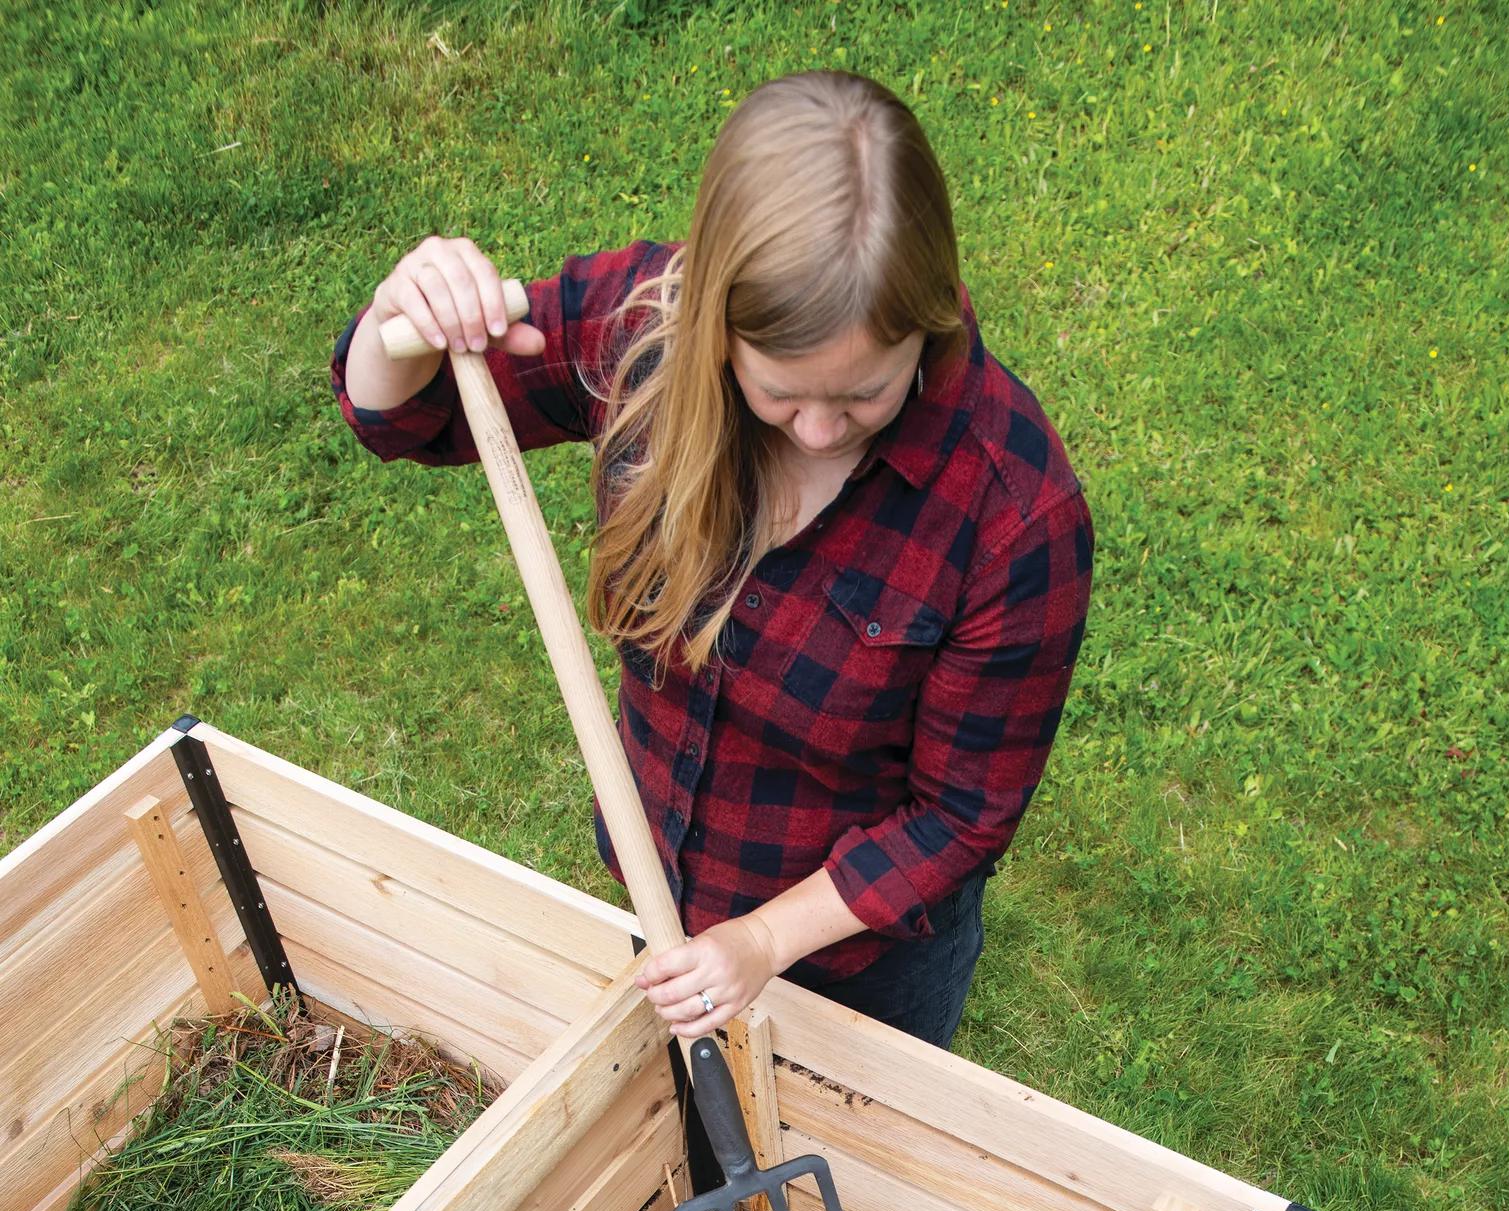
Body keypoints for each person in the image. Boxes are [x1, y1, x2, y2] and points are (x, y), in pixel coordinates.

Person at [333, 70, 1092, 1052]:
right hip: (660, 869)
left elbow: (957, 817)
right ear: (718, 330)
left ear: (926, 328)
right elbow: (403, 417)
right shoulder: (646, 325)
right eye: (780, 391)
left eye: (865, 394)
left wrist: (764, 939)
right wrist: (412, 315)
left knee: (843, 1170)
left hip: (857, 959)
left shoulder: (1012, 516)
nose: (820, 430)